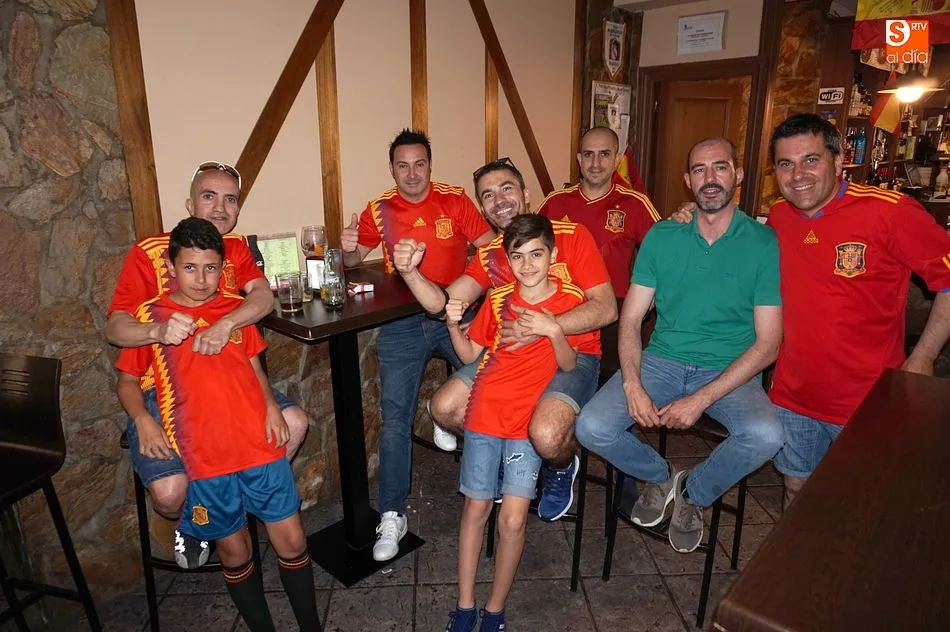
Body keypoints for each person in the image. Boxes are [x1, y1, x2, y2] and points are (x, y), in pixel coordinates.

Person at [674, 114, 950, 508]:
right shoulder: (779, 218)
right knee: (796, 488)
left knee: (861, 503)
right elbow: (729, 232)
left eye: (811, 160)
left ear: (838, 161)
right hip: (792, 395)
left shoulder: (890, 212)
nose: (798, 174)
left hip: (866, 401)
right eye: (785, 164)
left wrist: (923, 356)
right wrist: (692, 212)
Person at [575, 137, 784, 553]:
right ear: (688, 180)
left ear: (738, 175)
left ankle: (693, 491)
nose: (710, 178)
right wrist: (632, 383)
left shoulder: (763, 243)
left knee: (767, 434)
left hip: (730, 368)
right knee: (591, 426)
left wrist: (701, 400)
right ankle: (660, 475)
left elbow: (768, 344)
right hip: (663, 360)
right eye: (700, 170)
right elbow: (631, 318)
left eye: (720, 167)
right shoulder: (663, 236)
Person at [115, 218, 321, 632]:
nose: (201, 279)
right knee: (235, 551)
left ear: (222, 268)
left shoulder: (234, 309)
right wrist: (142, 420)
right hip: (204, 458)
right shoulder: (152, 317)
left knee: (294, 540)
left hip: (258, 445)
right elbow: (127, 383)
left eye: (210, 268)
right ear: (171, 267)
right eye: (190, 267)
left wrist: (271, 406)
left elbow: (254, 367)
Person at [106, 161, 310, 568]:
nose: (220, 207)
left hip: (231, 378)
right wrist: (156, 332)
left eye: (230, 199)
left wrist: (226, 324)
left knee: (296, 423)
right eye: (209, 196)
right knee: (169, 494)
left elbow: (263, 297)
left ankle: (230, 505)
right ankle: (195, 518)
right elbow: (116, 327)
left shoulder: (235, 247)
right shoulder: (151, 252)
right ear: (189, 203)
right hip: (161, 388)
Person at [392, 158, 617, 521]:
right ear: (483, 209)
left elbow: (606, 308)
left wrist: (545, 326)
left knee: (546, 435)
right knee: (444, 408)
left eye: (506, 188)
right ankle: (513, 459)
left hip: (572, 353)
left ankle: (560, 464)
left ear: (526, 194)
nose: (499, 200)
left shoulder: (569, 235)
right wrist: (410, 273)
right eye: (488, 195)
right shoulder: (490, 255)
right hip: (507, 357)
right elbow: (444, 304)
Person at [340, 129, 494, 561]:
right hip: (402, 323)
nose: (412, 174)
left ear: (430, 166)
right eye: (402, 166)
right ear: (392, 169)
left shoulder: (455, 200)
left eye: (419, 164)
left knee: (492, 383)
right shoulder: (379, 209)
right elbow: (353, 259)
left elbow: (491, 249)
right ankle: (392, 513)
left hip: (456, 315)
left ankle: (472, 450)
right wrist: (348, 249)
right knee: (394, 419)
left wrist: (475, 302)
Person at [444, 215, 596, 632]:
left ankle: (494, 610)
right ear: (507, 260)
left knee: (512, 520)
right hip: (484, 413)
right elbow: (471, 356)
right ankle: (464, 605)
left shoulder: (570, 298)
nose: (527, 265)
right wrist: (453, 325)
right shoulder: (497, 299)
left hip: (524, 422)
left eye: (536, 254)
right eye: (518, 256)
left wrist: (553, 330)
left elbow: (569, 365)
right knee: (475, 508)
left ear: (552, 255)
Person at [537, 126, 660, 298]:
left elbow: (665, 252)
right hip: (559, 305)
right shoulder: (554, 202)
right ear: (579, 160)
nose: (595, 163)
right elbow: (525, 245)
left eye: (604, 154)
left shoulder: (636, 204)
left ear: (617, 160)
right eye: (588, 154)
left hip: (613, 306)